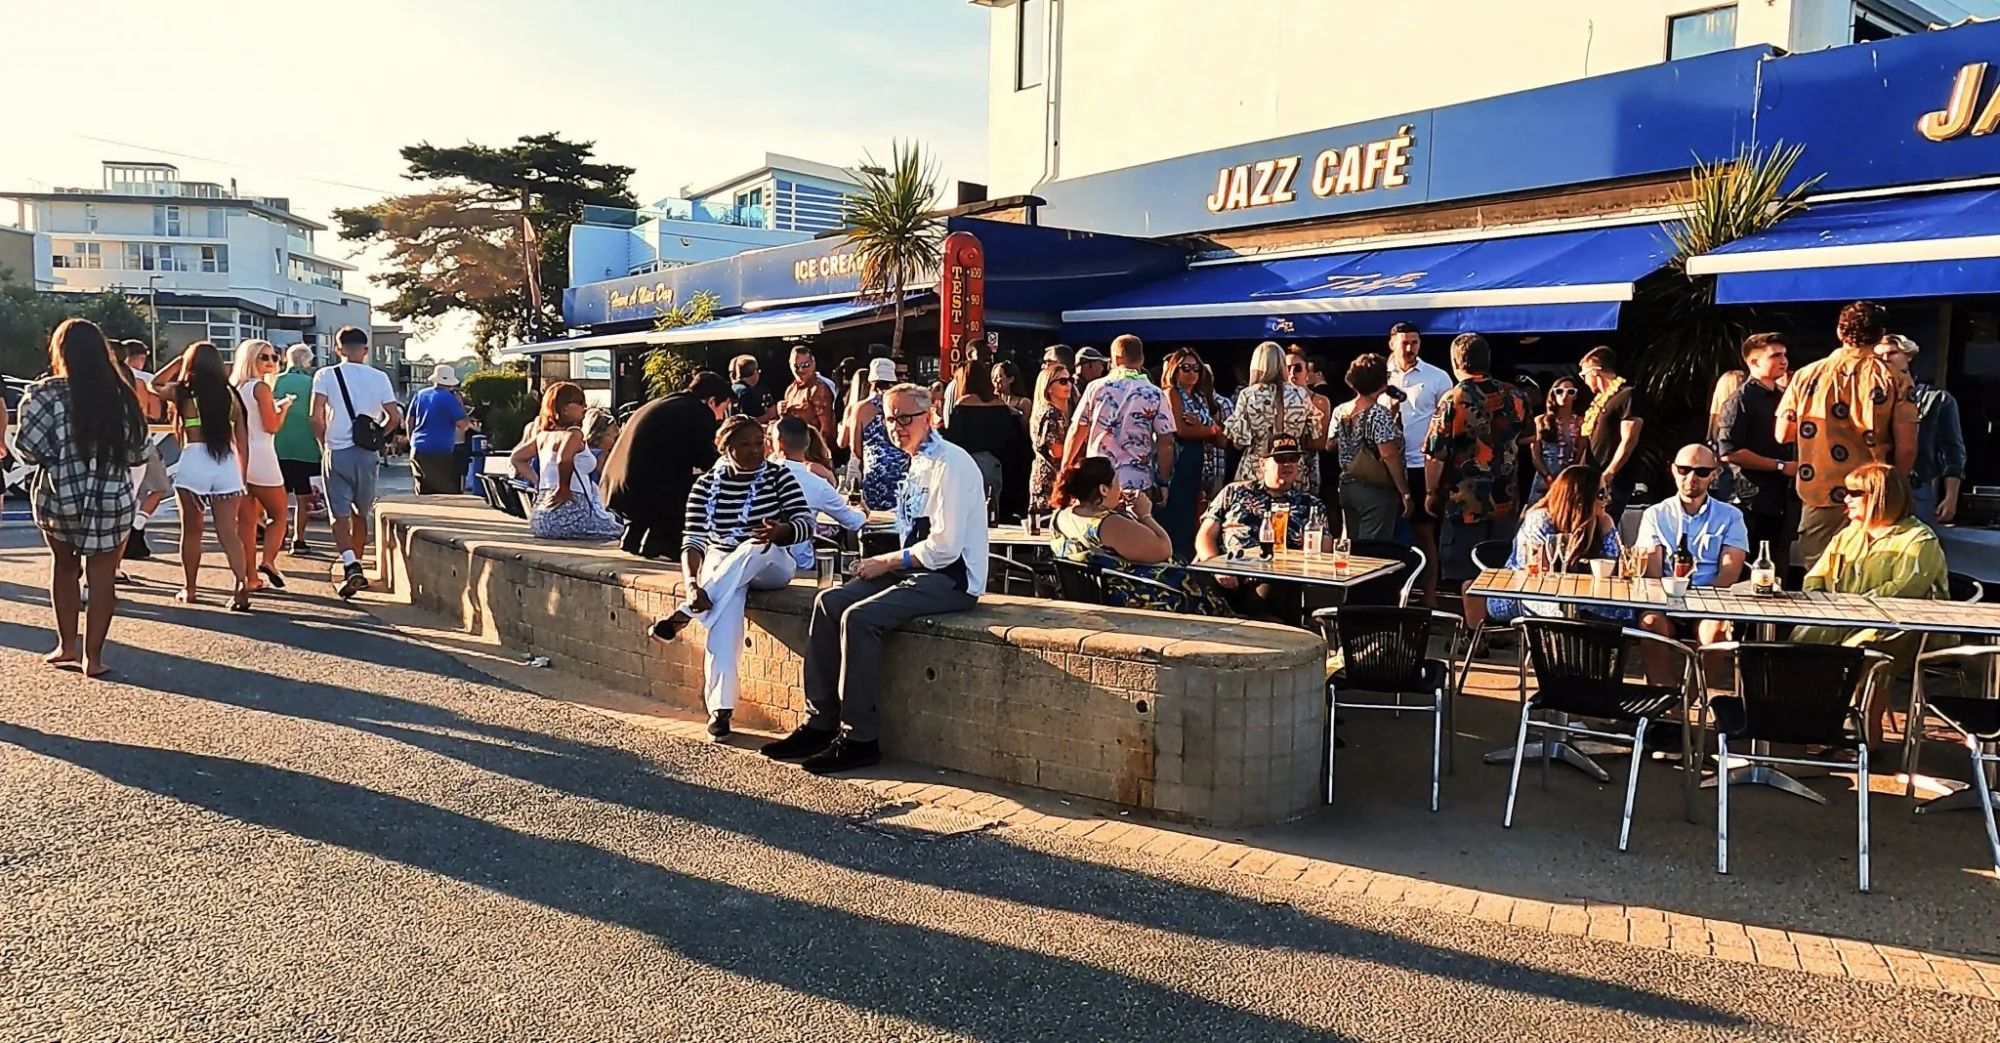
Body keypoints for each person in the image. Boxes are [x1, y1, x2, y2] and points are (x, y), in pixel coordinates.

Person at [758, 383, 988, 775]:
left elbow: (945, 548)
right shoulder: (917, 461)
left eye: (906, 418)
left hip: (953, 578)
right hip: (917, 568)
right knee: (828, 602)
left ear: (930, 416)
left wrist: (886, 562)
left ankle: (859, 737)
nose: (897, 427)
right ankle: (820, 722)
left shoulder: (951, 463)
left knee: (859, 618)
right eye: (890, 419)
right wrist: (887, 562)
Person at [649, 415, 816, 739]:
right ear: (726, 448)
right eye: (744, 444)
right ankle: (721, 710)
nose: (755, 450)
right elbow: (693, 541)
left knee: (753, 547)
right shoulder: (706, 485)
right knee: (725, 613)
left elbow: (806, 523)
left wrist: (782, 531)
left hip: (771, 558)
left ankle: (685, 614)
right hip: (723, 559)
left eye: (759, 443)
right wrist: (692, 584)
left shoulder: (778, 475)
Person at [13, 319, 151, 676]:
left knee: (64, 568)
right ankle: (94, 657)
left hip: (59, 496)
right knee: (102, 577)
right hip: (111, 497)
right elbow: (138, 452)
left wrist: (61, 456)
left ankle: (66, 646)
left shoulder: (42, 394)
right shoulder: (121, 395)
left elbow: (28, 450)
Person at [1792, 462, 1948, 746]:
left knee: (1860, 652)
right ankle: (1813, 723)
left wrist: (1851, 606)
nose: (1846, 498)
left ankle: (1865, 737)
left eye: (1854, 493)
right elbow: (1816, 576)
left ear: (1879, 497)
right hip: (1843, 617)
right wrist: (1820, 601)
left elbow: (1904, 591)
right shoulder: (1849, 533)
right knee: (1802, 640)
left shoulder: (1919, 539)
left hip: (1898, 625)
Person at [1777, 301, 1918, 568]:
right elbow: (1907, 447)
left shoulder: (1806, 375)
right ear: (1880, 335)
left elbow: (1782, 434)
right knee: (1870, 573)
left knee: (1819, 573)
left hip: (1819, 489)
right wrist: (1896, 489)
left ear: (1840, 332)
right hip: (1873, 492)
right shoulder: (1896, 378)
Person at [1050, 456, 1227, 615]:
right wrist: (1145, 515)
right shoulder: (1109, 523)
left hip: (1092, 593)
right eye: (1116, 483)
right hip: (1133, 597)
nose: (1120, 488)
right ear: (1103, 489)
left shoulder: (1060, 516)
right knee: (1210, 598)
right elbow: (1164, 549)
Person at [1633, 444, 1749, 682]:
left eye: (1701, 472)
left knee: (1717, 630)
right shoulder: (1655, 514)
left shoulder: (1731, 516)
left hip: (1711, 603)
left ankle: (1695, 696)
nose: (1691, 478)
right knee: (1650, 623)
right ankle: (1666, 698)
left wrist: (1699, 604)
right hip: (1664, 601)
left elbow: (1729, 573)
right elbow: (1652, 573)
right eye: (1684, 470)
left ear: (1713, 474)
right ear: (1673, 470)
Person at [1424, 333, 1529, 593]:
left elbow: (1435, 454)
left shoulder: (1454, 399)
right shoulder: (1516, 395)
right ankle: (1497, 618)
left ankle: (1473, 619)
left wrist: (1430, 492)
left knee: (1469, 574)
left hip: (1465, 502)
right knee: (1500, 573)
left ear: (1455, 362)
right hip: (1506, 497)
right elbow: (1529, 438)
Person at [153, 341, 254, 611]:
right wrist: (242, 475)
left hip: (194, 461)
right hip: (226, 463)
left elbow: (154, 384)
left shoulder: (184, 392)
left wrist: (178, 363)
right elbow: (242, 440)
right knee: (228, 531)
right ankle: (241, 584)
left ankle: (190, 588)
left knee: (192, 531)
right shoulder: (231, 395)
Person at [1470, 465, 1629, 633]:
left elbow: (1614, 567)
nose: (1608, 499)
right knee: (1564, 614)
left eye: (1608, 492)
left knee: (1623, 611)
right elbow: (1539, 574)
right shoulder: (1540, 520)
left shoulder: (1601, 522)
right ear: (1579, 498)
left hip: (1579, 595)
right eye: (1601, 494)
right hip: (1520, 594)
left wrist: (1607, 527)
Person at [309, 326, 402, 599]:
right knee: (360, 513)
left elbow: (315, 416)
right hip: (366, 453)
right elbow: (394, 417)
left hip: (337, 450)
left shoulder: (325, 375)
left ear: (337, 349)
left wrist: (323, 443)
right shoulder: (379, 377)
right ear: (365, 350)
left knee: (338, 514)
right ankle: (357, 563)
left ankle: (350, 564)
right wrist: (377, 437)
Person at [601, 370, 733, 558]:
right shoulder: (696, 413)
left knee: (670, 476)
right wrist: (732, 466)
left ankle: (636, 537)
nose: (720, 418)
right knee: (703, 486)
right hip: (644, 490)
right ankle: (666, 542)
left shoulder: (667, 403)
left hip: (616, 486)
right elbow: (707, 460)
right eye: (723, 409)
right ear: (712, 401)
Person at [1196, 434, 1328, 622]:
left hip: (1277, 579)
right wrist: (1216, 567)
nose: (1288, 464)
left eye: (1293, 458)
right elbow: (1205, 535)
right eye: (1280, 459)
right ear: (1262, 464)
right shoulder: (1234, 492)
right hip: (1229, 571)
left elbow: (1325, 548)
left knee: (1276, 592)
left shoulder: (1311, 505)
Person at [1717, 333, 1798, 578]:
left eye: (1784, 355)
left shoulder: (1784, 397)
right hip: (1751, 499)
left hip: (1784, 496)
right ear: (1754, 362)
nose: (1784, 361)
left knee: (1779, 561)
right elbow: (1729, 451)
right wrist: (1780, 465)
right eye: (1775, 356)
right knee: (1753, 565)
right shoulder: (1741, 400)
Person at [1061, 333, 1174, 504]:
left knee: (1097, 520)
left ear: (1115, 359)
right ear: (1142, 360)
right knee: (1138, 520)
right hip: (1138, 482)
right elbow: (1166, 442)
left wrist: (1065, 468)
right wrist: (1163, 482)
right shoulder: (1155, 393)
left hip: (1098, 480)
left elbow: (1077, 430)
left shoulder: (1095, 388)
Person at [1386, 322, 1453, 606]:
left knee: (1424, 533)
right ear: (1392, 344)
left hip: (1422, 465)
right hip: (1388, 467)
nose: (1410, 348)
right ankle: (1393, 596)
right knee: (1388, 536)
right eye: (1405, 342)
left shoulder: (1437, 377)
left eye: (1414, 342)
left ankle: (1430, 597)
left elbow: (1447, 424)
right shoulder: (1380, 376)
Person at [511, 382, 621, 541]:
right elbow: (564, 459)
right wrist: (563, 488)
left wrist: (537, 482)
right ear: (564, 408)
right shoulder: (574, 434)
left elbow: (517, 458)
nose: (584, 407)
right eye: (580, 403)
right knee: (622, 532)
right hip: (571, 516)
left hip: (541, 521)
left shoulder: (543, 436)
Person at [1875, 334, 1965, 526]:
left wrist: (1951, 497)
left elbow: (1952, 451)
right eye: (1879, 355)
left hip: (1916, 487)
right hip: (1873, 487)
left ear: (1908, 356)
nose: (1885, 359)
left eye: (1892, 353)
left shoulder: (1937, 399)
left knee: (1916, 542)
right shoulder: (1866, 398)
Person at [230, 340, 296, 591]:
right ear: (251, 359)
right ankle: (268, 561)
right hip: (262, 455)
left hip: (239, 456)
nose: (270, 362)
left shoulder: (236, 387)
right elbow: (272, 426)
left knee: (246, 522)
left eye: (273, 357)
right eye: (264, 357)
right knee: (279, 515)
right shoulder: (261, 387)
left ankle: (250, 578)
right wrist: (284, 408)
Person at [1330, 353, 1411, 542]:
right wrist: (1404, 492)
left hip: (1347, 485)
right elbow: (1389, 455)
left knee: (1353, 544)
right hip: (1375, 489)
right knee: (1373, 548)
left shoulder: (1341, 410)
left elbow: (1330, 445)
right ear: (1381, 382)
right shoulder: (1378, 414)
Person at [1159, 347, 1229, 559]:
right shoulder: (1171, 393)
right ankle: (1174, 560)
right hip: (1180, 460)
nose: (1191, 373)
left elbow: (1222, 439)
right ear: (1174, 370)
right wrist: (1210, 430)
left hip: (1201, 461)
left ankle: (1188, 561)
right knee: (1177, 516)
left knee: (1194, 515)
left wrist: (1206, 429)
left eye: (1196, 368)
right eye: (1185, 368)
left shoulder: (1200, 397)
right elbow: (1181, 429)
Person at [772, 416, 867, 572]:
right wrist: (862, 511)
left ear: (779, 442)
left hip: (761, 565)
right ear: (808, 442)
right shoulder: (818, 485)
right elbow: (853, 522)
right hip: (801, 566)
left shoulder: (758, 477)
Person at [1226, 341, 1320, 496]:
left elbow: (1239, 442)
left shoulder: (1248, 395)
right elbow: (1312, 438)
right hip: (1293, 467)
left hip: (1257, 468)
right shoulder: (1301, 394)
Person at [943, 357, 1029, 515]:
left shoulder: (962, 406)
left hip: (969, 470)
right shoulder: (1002, 407)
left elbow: (954, 440)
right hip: (1001, 473)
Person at [114, 340, 172, 562]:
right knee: (159, 487)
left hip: (111, 442)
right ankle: (137, 526)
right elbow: (154, 413)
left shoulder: (99, 380)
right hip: (138, 439)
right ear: (140, 357)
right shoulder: (142, 380)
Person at [1578, 345, 1644, 520]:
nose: (1584, 381)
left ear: (1595, 371)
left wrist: (1609, 474)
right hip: (1590, 476)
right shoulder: (1600, 401)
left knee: (1604, 524)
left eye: (1584, 375)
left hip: (1612, 480)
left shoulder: (1626, 395)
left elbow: (1629, 439)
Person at [272, 344, 321, 555]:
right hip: (307, 447)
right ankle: (298, 539)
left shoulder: (274, 381)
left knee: (279, 496)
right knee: (303, 496)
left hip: (278, 446)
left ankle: (279, 534)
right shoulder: (312, 383)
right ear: (307, 361)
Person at [846, 358, 911, 512]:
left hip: (875, 473)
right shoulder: (903, 405)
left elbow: (856, 449)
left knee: (876, 520)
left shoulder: (860, 408)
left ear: (870, 382)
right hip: (902, 471)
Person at [407, 364, 472, 495]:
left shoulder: (421, 394)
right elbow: (463, 425)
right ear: (451, 384)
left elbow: (409, 420)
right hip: (439, 450)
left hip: (418, 448)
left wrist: (411, 441)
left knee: (423, 492)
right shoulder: (449, 399)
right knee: (446, 492)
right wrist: (460, 405)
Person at [1529, 375, 1586, 503]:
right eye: (1559, 391)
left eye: (1570, 392)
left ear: (1575, 396)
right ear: (1553, 394)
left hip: (1569, 479)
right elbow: (1536, 454)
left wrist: (1571, 476)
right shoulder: (1541, 420)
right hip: (1545, 477)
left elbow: (1581, 451)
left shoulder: (1581, 422)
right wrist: (1547, 477)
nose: (1564, 395)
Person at [1028, 362, 1074, 514]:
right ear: (1048, 387)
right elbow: (1056, 451)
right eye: (1063, 381)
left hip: (1051, 480)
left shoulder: (1055, 412)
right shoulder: (1050, 413)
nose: (1069, 385)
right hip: (1050, 482)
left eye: (1070, 380)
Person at [779, 347, 838, 446]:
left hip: (812, 448)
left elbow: (826, 429)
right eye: (796, 366)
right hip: (793, 446)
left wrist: (821, 452)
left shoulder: (818, 389)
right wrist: (783, 412)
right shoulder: (790, 389)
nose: (800, 370)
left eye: (805, 365)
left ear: (813, 363)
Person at [729, 354, 776, 422]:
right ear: (755, 371)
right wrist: (768, 415)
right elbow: (747, 422)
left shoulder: (732, 388)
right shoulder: (747, 394)